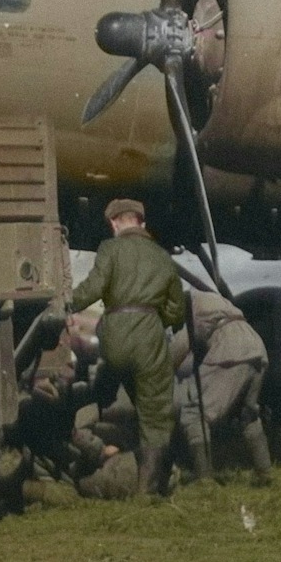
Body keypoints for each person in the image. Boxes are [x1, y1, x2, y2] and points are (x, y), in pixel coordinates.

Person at [67, 198, 186, 495]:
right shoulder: (162, 257)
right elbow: (176, 310)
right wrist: (159, 320)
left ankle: (81, 437)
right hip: (148, 334)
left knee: (104, 392)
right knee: (155, 414)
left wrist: (65, 303)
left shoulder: (110, 249)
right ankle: (148, 492)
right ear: (141, 223)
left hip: (114, 335)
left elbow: (93, 288)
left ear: (114, 223)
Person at [170, 288, 272, 485]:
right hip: (255, 345)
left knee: (194, 411)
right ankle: (264, 472)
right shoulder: (210, 300)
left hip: (230, 347)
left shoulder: (186, 304)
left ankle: (204, 479)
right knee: (248, 414)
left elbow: (180, 347)